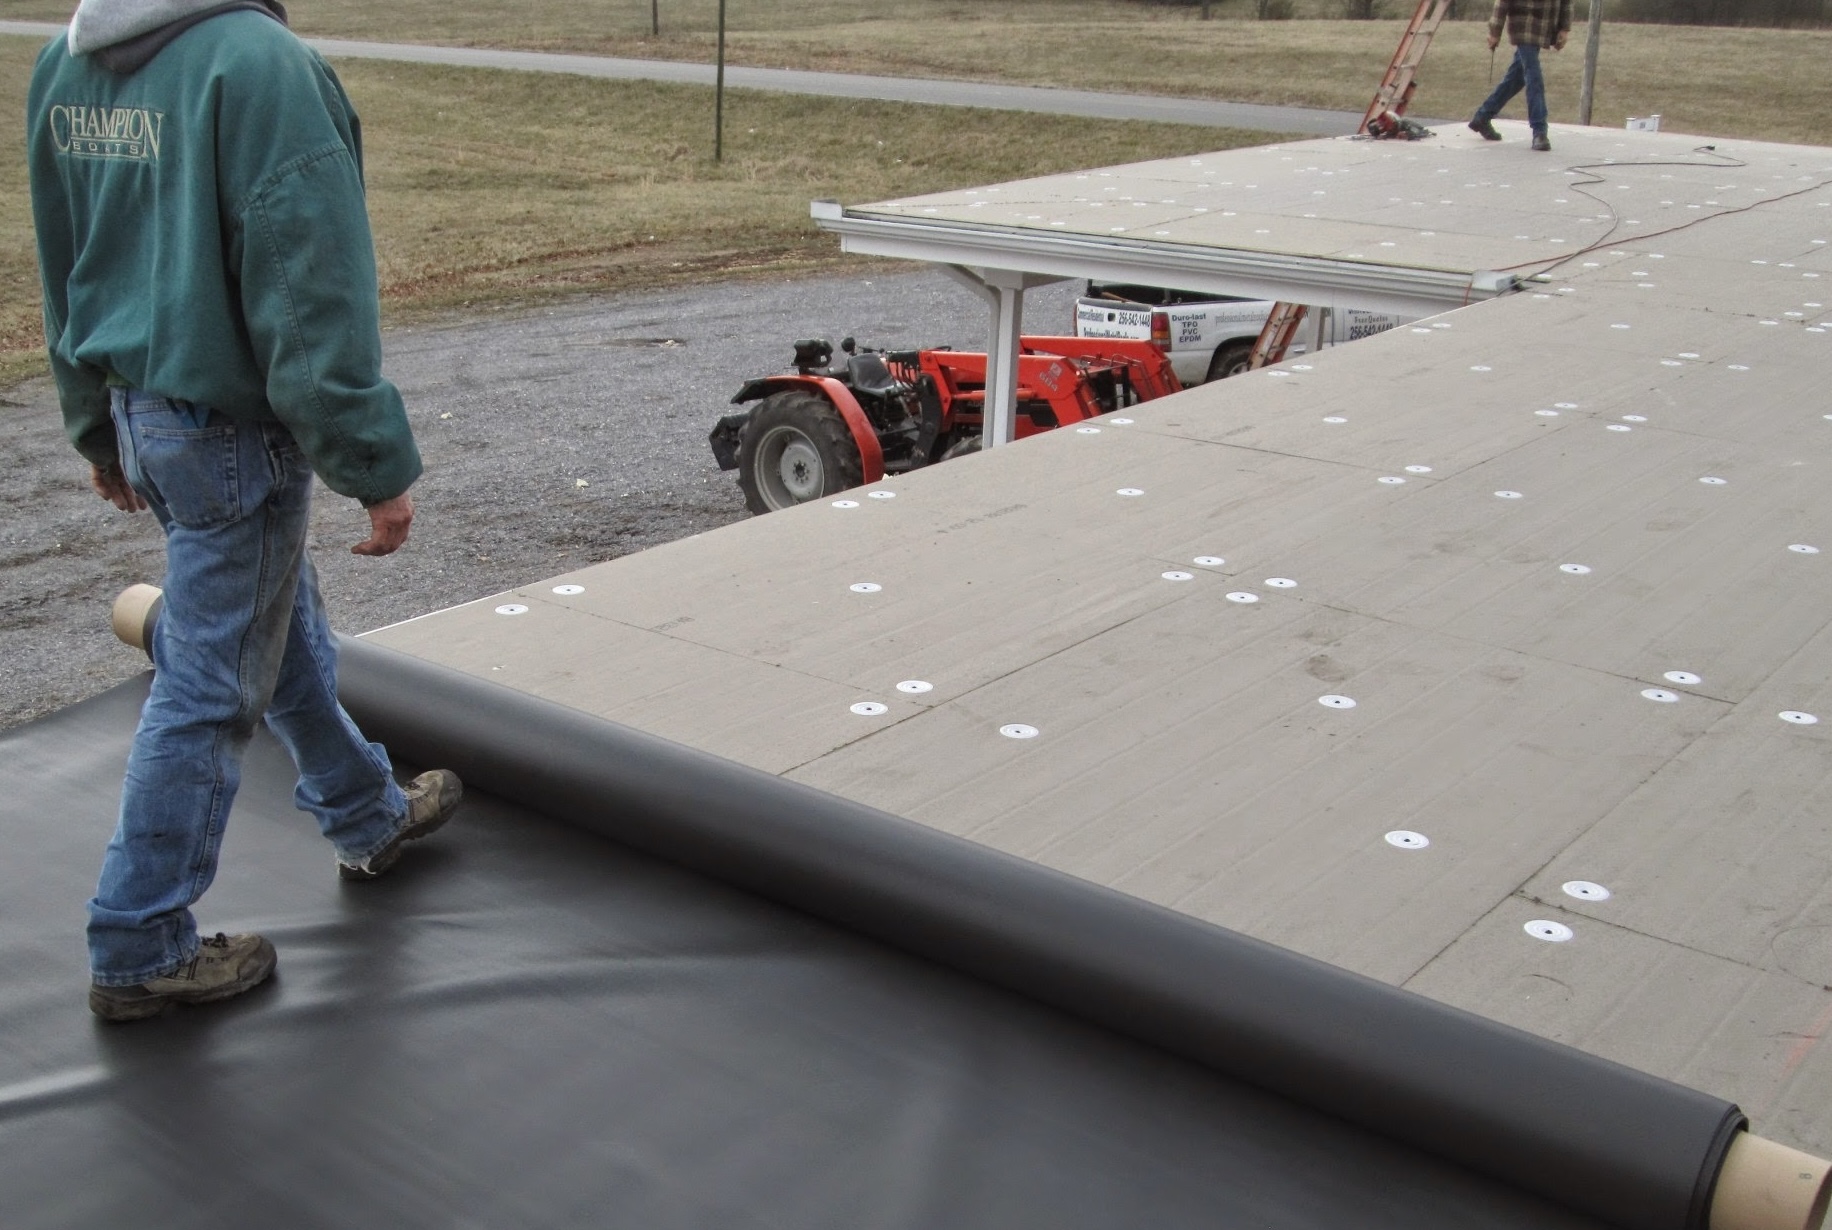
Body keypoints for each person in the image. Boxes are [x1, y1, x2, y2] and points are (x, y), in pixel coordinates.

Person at [28, 0, 462, 1022]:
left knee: (275, 621)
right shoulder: (260, 67)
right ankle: (139, 942)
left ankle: (367, 812)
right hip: (229, 427)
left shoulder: (67, 61)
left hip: (148, 412)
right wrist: (371, 462)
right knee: (212, 685)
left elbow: (66, 259)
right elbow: (308, 291)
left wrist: (97, 422)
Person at [1468, 0, 1571, 152]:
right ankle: (1540, 131)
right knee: (1533, 76)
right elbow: (1502, 3)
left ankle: (1482, 117)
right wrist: (1494, 32)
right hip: (1523, 25)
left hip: (1543, 26)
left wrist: (1564, 27)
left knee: (1518, 77)